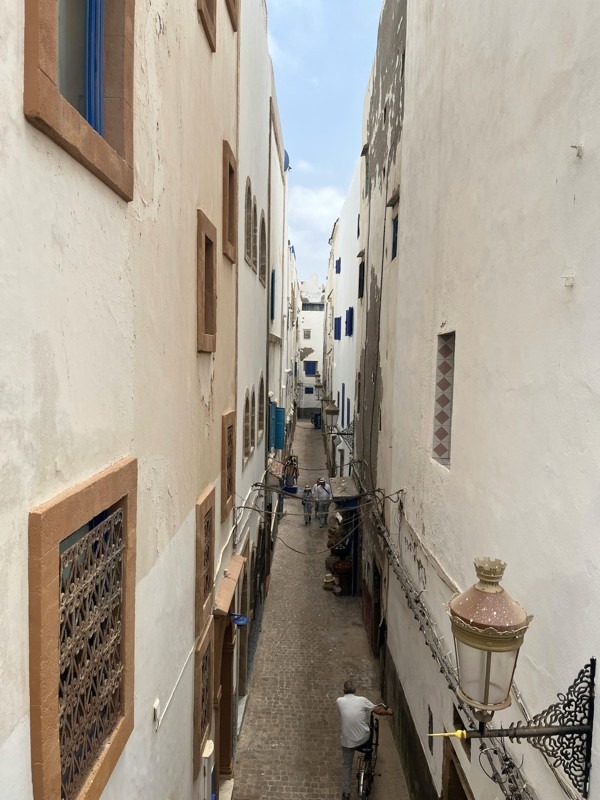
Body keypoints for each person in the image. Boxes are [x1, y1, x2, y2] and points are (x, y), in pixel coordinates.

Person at [336, 680, 393, 800]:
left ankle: (346, 793)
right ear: (355, 690)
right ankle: (368, 756)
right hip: (362, 739)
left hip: (347, 741)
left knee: (347, 766)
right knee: (369, 730)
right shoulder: (362, 700)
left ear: (343, 691)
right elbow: (377, 710)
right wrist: (388, 712)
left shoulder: (339, 701)